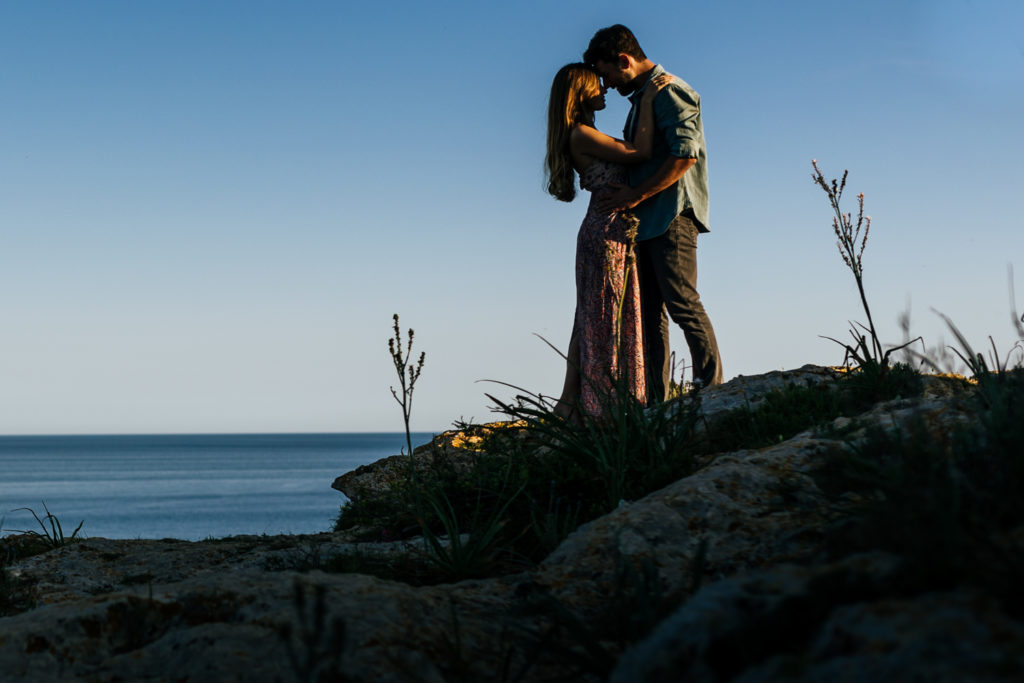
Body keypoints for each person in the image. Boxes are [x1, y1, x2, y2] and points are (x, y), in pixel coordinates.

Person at [584, 24, 724, 399]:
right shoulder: (644, 98)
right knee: (648, 317)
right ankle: (657, 403)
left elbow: (685, 155)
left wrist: (634, 195)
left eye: (608, 74)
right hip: (648, 219)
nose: (607, 84)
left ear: (624, 60)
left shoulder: (670, 91)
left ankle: (712, 393)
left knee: (683, 304)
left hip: (672, 215)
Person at [544, 63, 671, 418]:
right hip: (605, 232)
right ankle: (600, 405)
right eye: (596, 85)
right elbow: (639, 152)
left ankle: (572, 405)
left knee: (591, 317)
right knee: (602, 315)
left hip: (608, 229)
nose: (604, 89)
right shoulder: (581, 133)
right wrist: (646, 101)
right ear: (581, 92)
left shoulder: (583, 133)